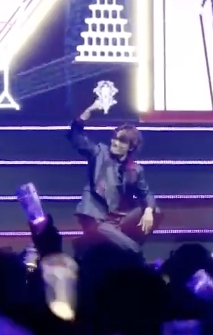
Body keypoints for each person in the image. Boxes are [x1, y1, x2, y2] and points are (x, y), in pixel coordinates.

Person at [68, 101, 160, 254]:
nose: (115, 143)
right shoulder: (100, 152)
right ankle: (131, 252)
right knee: (130, 249)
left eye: (121, 141)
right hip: (95, 217)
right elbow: (77, 139)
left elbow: (146, 193)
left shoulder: (135, 169)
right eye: (115, 138)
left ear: (131, 147)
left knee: (155, 210)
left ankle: (89, 243)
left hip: (116, 218)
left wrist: (149, 211)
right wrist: (84, 115)